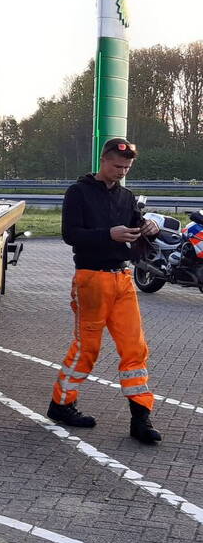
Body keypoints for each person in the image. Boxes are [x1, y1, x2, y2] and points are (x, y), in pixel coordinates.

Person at [47, 137, 163, 443]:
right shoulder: (78, 192)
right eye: (117, 166)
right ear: (103, 160)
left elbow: (136, 233)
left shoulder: (127, 197)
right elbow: (70, 235)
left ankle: (141, 418)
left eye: (126, 167)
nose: (122, 172)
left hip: (123, 280)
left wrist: (150, 227)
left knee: (135, 349)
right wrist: (108, 235)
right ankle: (61, 404)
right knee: (88, 348)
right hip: (91, 279)